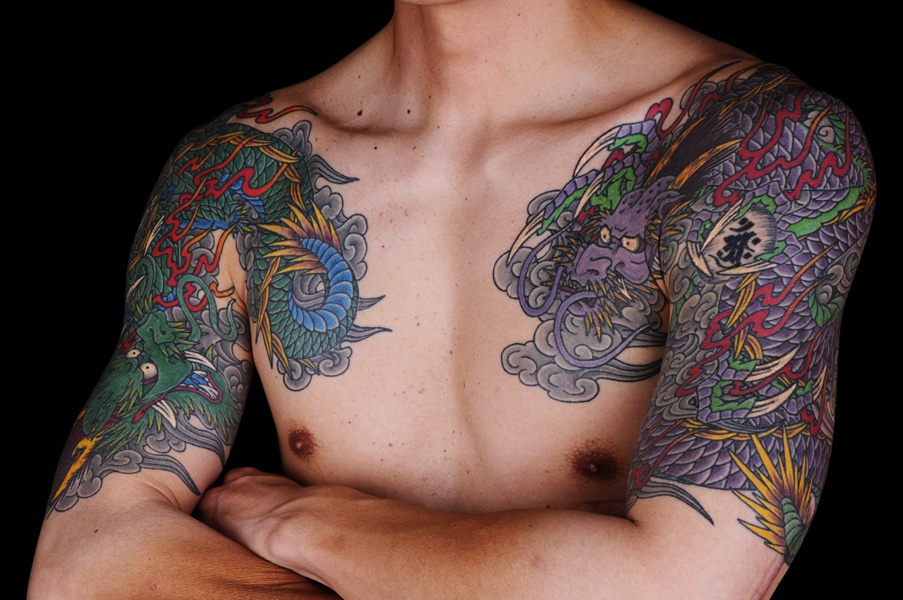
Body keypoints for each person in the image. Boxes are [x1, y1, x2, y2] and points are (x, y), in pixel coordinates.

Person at [29, 0, 876, 597]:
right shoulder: (239, 169)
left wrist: (306, 529)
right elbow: (83, 563)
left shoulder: (753, 145)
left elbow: (692, 586)